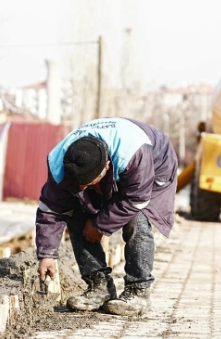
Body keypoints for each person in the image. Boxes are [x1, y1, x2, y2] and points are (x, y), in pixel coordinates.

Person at [36, 118, 178, 317]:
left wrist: (99, 225)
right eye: (80, 185)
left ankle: (138, 292)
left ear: (106, 167)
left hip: (156, 162)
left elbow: (136, 199)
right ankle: (99, 287)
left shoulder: (133, 154)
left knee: (136, 218)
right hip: (114, 168)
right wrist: (47, 254)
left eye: (89, 183)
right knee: (76, 213)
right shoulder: (60, 164)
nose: (84, 189)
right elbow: (51, 209)